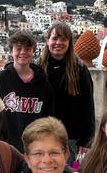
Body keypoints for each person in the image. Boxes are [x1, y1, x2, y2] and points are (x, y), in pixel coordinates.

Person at [41, 22, 95, 163]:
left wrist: (87, 139)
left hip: (70, 137)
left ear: (69, 43)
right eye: (55, 38)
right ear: (47, 41)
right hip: (42, 134)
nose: (58, 42)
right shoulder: (38, 68)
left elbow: (88, 105)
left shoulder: (80, 70)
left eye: (63, 39)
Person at [0, 31, 53, 153]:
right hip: (4, 146)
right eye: (18, 48)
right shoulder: (0, 79)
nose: (23, 52)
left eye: (28, 49)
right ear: (11, 51)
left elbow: (49, 115)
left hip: (34, 146)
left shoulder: (43, 81)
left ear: (33, 52)